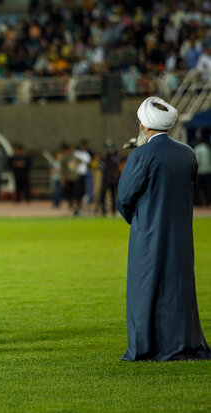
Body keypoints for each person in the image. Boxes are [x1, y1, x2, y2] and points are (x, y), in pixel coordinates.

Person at [116, 96, 211, 361]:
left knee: (145, 288)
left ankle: (148, 346)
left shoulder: (142, 154)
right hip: (181, 235)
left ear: (145, 126)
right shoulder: (187, 153)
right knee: (178, 288)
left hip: (148, 233)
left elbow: (124, 198)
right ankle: (183, 343)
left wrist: (137, 222)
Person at [193, 139, 210, 206]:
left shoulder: (197, 148)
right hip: (208, 171)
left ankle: (197, 203)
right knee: (207, 189)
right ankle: (207, 202)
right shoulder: (208, 148)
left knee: (197, 189)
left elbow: (197, 161)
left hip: (200, 172)